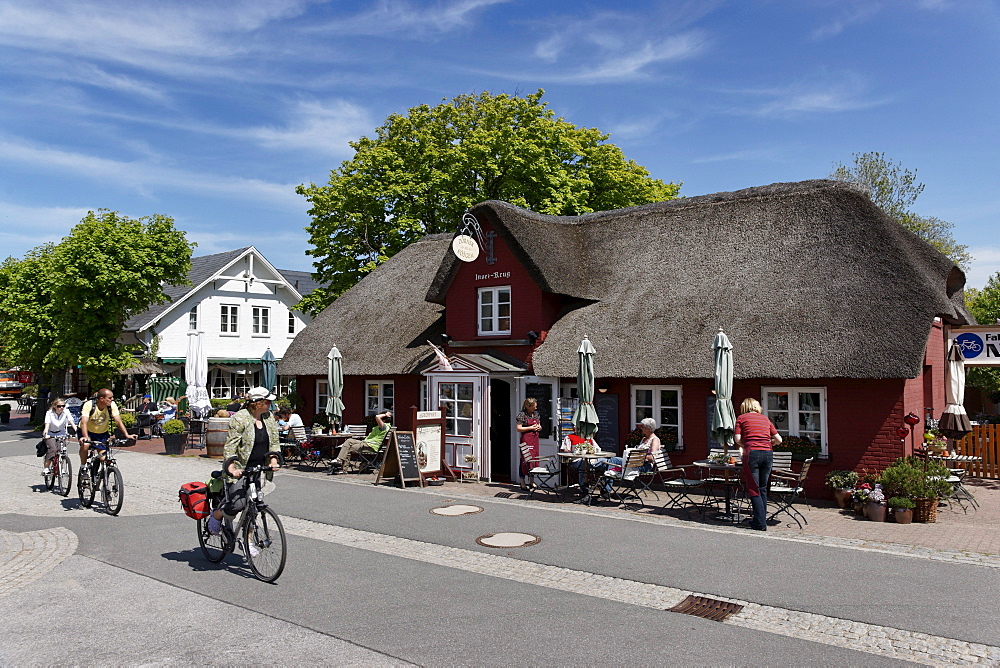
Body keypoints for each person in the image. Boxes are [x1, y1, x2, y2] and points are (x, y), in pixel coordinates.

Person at [207, 387, 281, 545]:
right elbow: (230, 446)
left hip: (257, 468)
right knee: (238, 503)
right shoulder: (240, 418)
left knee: (253, 505)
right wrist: (231, 467)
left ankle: (248, 542)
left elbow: (274, 441)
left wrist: (273, 460)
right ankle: (217, 515)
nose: (270, 404)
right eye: (267, 401)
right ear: (257, 403)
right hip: (241, 468)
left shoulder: (269, 417)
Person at [576, 418, 661, 504]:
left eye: (642, 427)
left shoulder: (655, 440)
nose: (641, 429)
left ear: (648, 428)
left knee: (612, 460)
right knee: (611, 461)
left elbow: (653, 457)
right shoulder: (643, 439)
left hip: (643, 466)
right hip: (633, 462)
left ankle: (600, 473)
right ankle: (605, 484)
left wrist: (639, 457)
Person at [734, 397, 782, 531]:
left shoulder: (741, 418)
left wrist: (747, 443)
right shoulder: (765, 419)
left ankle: (760, 523)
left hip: (752, 454)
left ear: (744, 407)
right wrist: (768, 443)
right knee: (762, 488)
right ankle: (759, 519)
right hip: (768, 454)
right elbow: (779, 439)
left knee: (753, 488)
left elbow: (737, 439)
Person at [78, 389, 131, 484]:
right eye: (110, 398)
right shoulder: (89, 405)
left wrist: (127, 435)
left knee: (104, 459)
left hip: (101, 433)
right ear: (101, 398)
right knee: (85, 445)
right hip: (87, 431)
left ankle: (100, 479)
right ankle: (83, 467)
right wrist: (85, 436)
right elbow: (84, 422)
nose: (112, 399)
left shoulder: (111, 405)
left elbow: (118, 421)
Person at [327, 411, 392, 473]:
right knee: (348, 441)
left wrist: (386, 415)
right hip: (366, 442)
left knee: (348, 448)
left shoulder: (384, 427)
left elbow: (377, 417)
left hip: (371, 446)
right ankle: (339, 460)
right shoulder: (380, 426)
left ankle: (343, 469)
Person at [41, 397, 76, 475]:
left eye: (63, 406)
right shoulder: (49, 413)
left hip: (61, 433)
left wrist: (77, 431)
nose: (61, 408)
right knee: (52, 449)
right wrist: (46, 434)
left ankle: (61, 467)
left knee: (62, 451)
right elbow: (47, 424)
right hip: (51, 433)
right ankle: (46, 468)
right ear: (54, 406)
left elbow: (71, 421)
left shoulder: (66, 411)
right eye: (59, 406)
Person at [515, 398, 542, 491]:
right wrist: (531, 427)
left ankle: (531, 482)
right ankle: (522, 483)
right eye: (534, 406)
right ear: (528, 406)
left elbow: (539, 424)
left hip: (534, 439)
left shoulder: (536, 414)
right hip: (526, 440)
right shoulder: (522, 415)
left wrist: (538, 427)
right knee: (525, 460)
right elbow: (518, 428)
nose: (536, 408)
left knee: (534, 459)